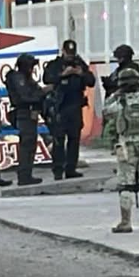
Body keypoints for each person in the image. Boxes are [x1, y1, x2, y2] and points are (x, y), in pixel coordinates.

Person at [103, 68, 139, 233]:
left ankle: (125, 222)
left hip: (126, 147)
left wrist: (115, 94)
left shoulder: (119, 103)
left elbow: (105, 111)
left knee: (126, 186)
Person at [43, 40, 96, 180]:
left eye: (72, 54)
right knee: (59, 140)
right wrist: (63, 74)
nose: (70, 57)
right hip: (60, 107)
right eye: (68, 53)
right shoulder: (55, 65)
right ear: (63, 51)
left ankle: (71, 168)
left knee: (74, 139)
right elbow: (47, 79)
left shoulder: (79, 64)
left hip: (75, 106)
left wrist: (81, 73)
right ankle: (58, 170)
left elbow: (91, 81)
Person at [7, 53, 51, 186]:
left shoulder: (27, 79)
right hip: (24, 113)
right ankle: (24, 175)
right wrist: (42, 92)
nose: (32, 69)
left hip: (30, 113)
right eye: (30, 66)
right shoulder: (18, 78)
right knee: (27, 144)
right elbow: (25, 97)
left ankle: (27, 174)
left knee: (30, 144)